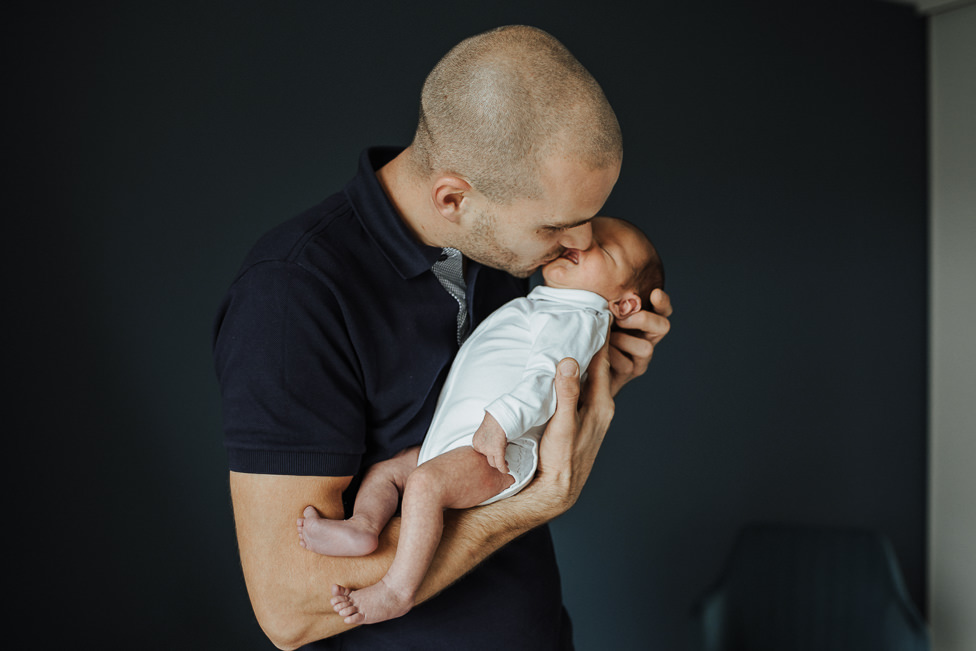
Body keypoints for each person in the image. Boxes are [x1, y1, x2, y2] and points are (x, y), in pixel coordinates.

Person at [213, 25, 672, 650]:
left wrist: (603, 367)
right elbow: (290, 608)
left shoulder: (511, 254)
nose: (582, 245)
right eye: (558, 227)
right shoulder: (294, 293)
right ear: (454, 197)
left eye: (591, 222)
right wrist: (528, 506)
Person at [296, 216, 664, 626]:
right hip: (469, 439)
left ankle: (397, 590)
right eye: (588, 232)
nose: (582, 241)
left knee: (424, 484)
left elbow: (549, 379)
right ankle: (364, 525)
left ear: (625, 304)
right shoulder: (551, 304)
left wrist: (502, 421)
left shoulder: (575, 318)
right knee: (391, 471)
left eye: (603, 249)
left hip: (503, 447)